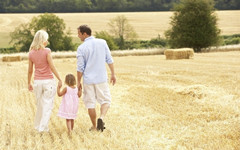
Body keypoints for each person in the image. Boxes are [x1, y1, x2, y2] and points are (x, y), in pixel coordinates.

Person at [76, 25, 116, 132]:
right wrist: (113, 74)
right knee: (106, 100)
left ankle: (94, 127)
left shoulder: (81, 48)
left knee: (90, 104)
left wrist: (78, 82)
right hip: (101, 78)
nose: (78, 36)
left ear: (85, 34)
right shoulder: (102, 42)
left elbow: (80, 68)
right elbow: (109, 59)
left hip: (88, 80)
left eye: (79, 33)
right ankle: (101, 118)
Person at [28, 30, 62, 132]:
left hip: (37, 82)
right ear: (43, 40)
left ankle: (38, 126)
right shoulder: (47, 51)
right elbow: (52, 66)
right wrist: (60, 78)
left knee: (40, 106)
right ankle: (42, 129)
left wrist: (29, 83)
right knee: (47, 106)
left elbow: (30, 70)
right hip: (48, 82)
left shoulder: (31, 53)